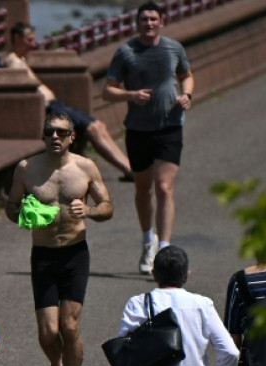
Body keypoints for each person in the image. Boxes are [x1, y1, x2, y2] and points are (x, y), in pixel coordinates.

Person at [5, 111, 114, 366]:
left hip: (75, 254)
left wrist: (89, 210)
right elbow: (11, 207)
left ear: (72, 137)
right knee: (47, 332)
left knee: (70, 325)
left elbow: (108, 206)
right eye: (49, 132)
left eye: (61, 132)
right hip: (43, 255)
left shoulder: (85, 167)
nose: (54, 136)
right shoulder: (27, 169)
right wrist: (23, 211)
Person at [102, 2, 195, 274]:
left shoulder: (173, 48)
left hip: (170, 126)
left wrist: (187, 95)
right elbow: (107, 91)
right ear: (137, 23)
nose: (149, 23)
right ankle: (147, 240)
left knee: (164, 187)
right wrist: (131, 96)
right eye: (144, 19)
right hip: (138, 129)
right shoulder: (126, 52)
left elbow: (187, 76)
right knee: (143, 188)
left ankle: (164, 248)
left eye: (154, 19)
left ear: (162, 22)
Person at [6, 22, 134, 182]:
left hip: (55, 105)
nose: (34, 44)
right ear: (17, 38)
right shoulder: (12, 61)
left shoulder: (21, 59)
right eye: (29, 40)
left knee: (99, 126)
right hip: (48, 108)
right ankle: (128, 169)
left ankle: (129, 167)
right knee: (94, 128)